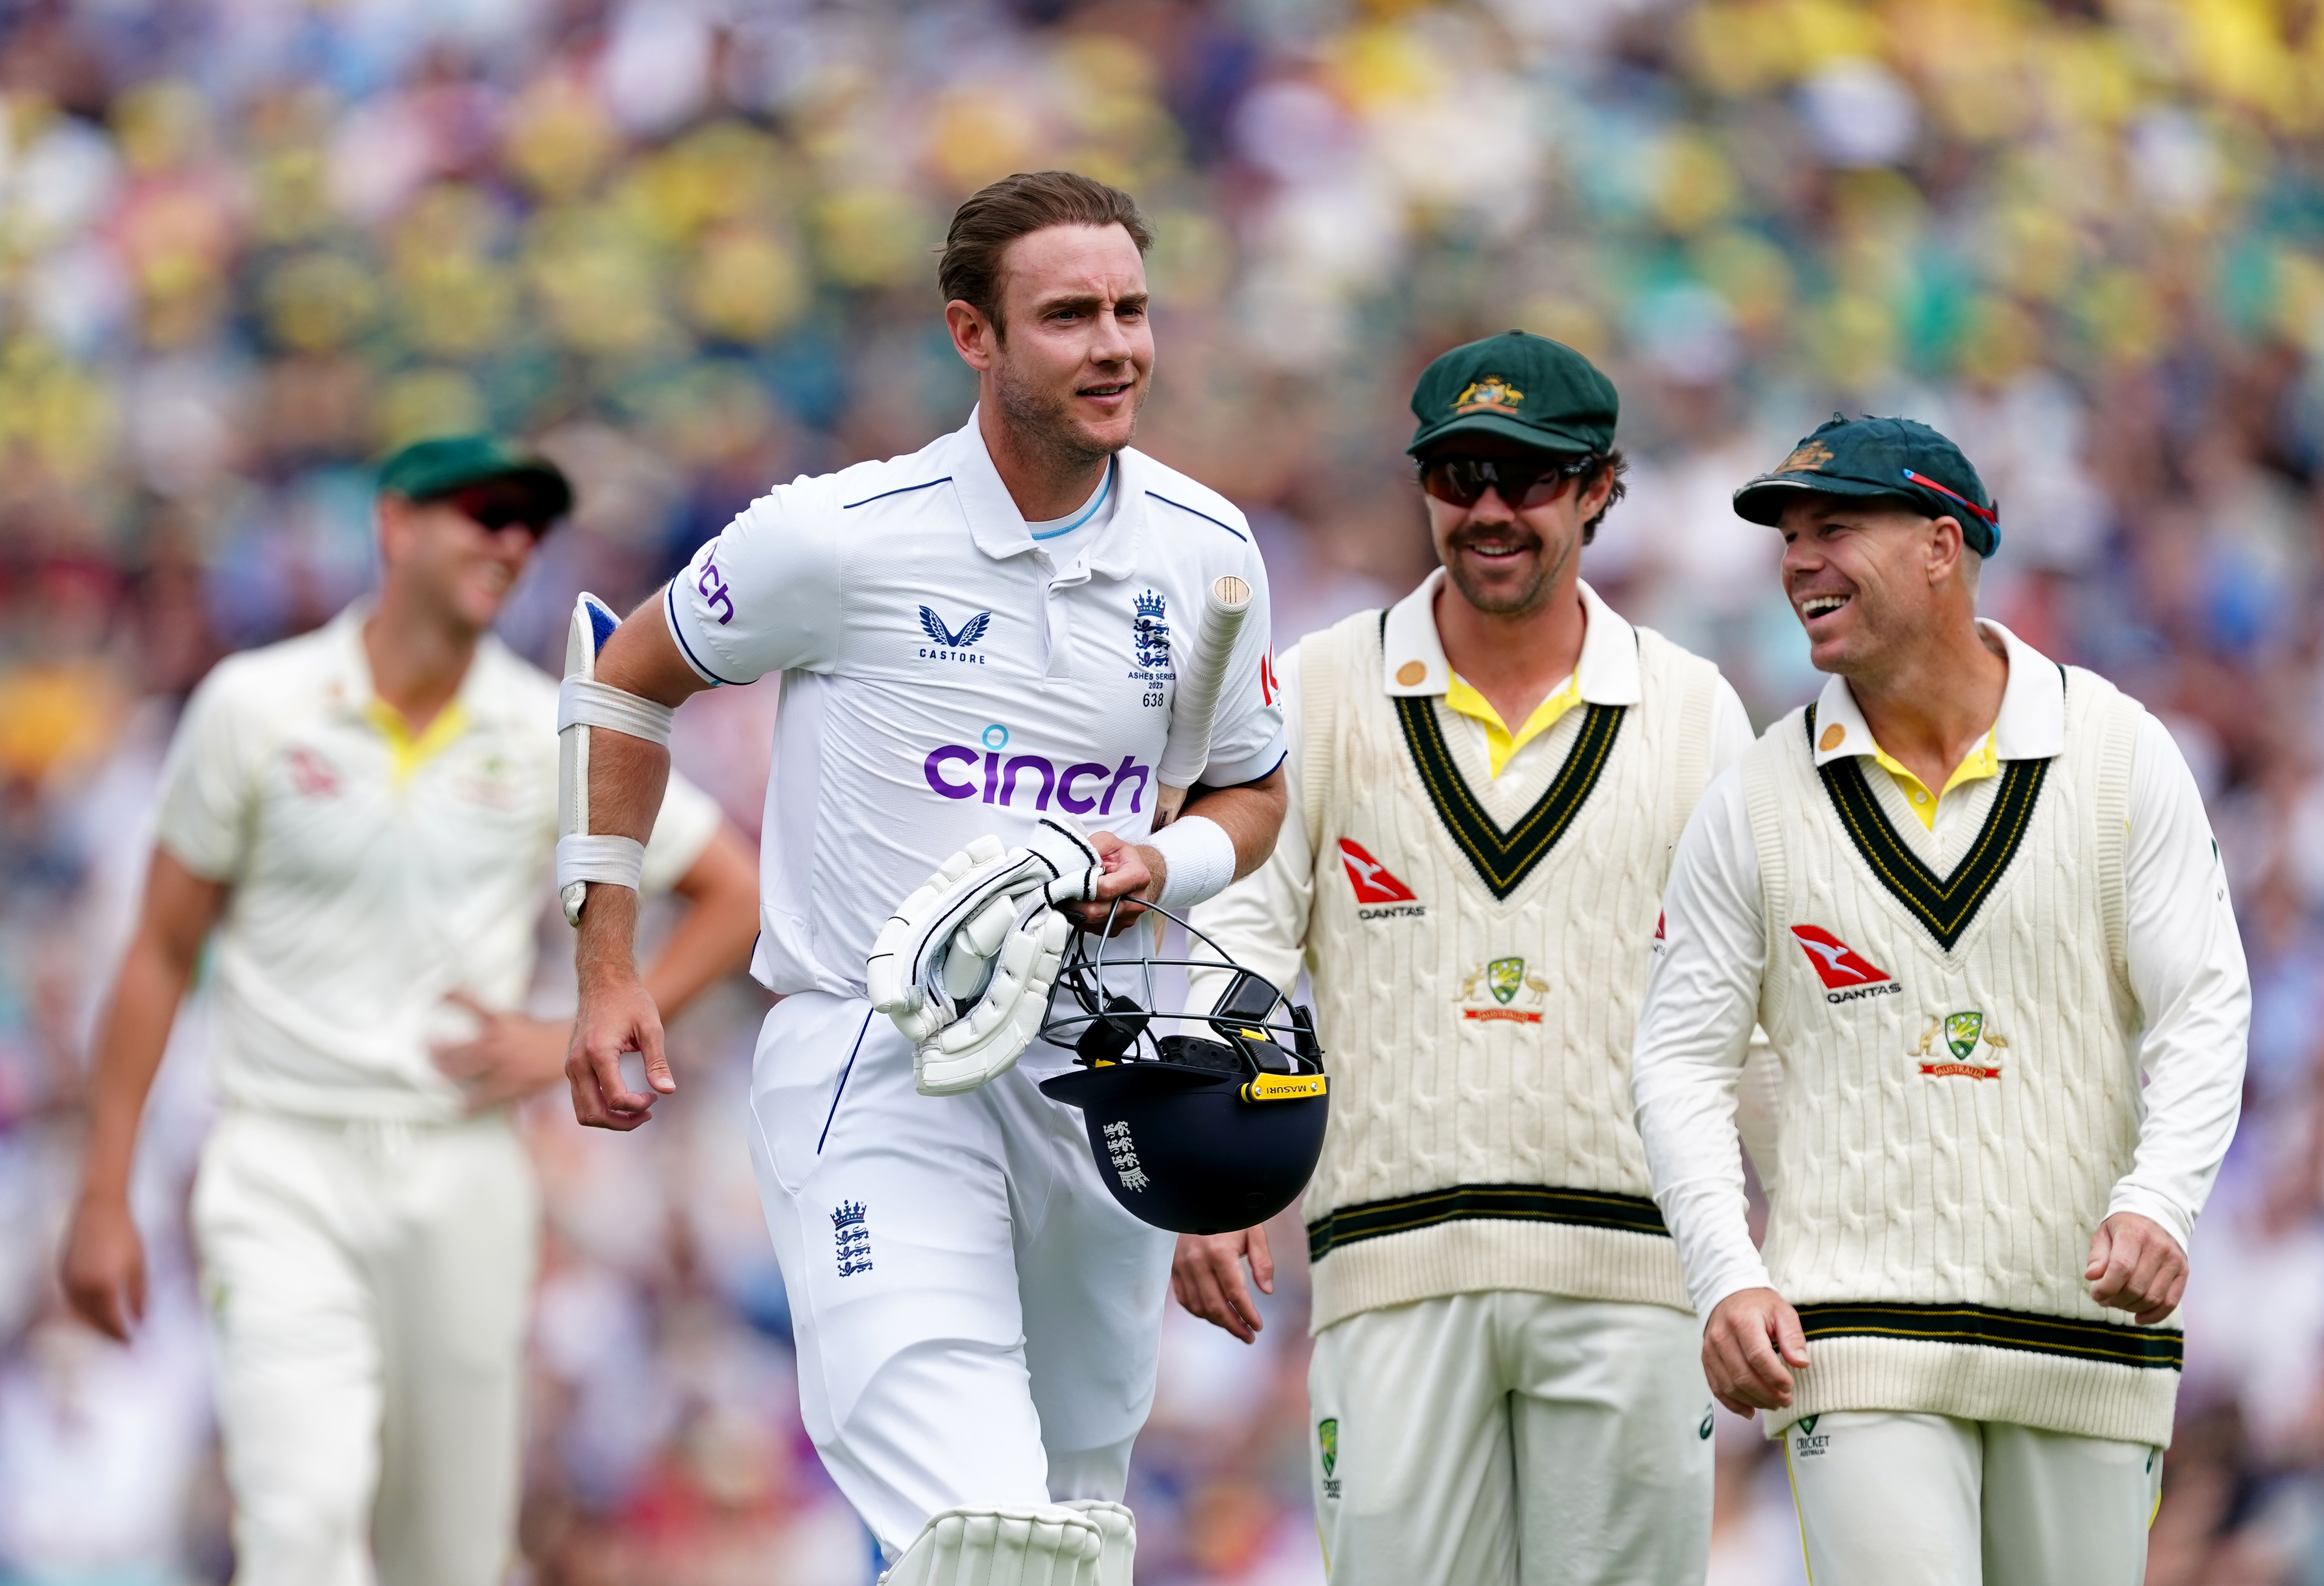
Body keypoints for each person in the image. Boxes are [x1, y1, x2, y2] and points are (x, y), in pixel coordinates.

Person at [555, 171, 1287, 1583]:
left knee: (1074, 1530)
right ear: (974, 335)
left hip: (1104, 1079)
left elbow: (1251, 792)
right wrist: (606, 964)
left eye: (1132, 311)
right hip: (879, 1059)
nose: (1116, 347)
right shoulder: (839, 534)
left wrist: (1163, 859)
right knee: (983, 1529)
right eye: (1070, 316)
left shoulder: (1208, 549)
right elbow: (622, 678)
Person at [57, 435, 762, 1586]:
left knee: (451, 1554)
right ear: (393, 523)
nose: (510, 542)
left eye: (529, 524)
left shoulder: (548, 727)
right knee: (298, 1526)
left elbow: (735, 895)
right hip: (282, 1156)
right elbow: (158, 954)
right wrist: (103, 1195)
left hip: (460, 1163)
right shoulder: (257, 706)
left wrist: (564, 1030)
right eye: (481, 514)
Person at [1173, 330, 1754, 1586]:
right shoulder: (1319, 687)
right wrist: (1215, 1169)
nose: (1489, 509)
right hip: (1393, 1261)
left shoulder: (1695, 709)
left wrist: (1780, 1245)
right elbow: (1239, 942)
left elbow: (1743, 1007)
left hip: (1632, 1264)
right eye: (1459, 474)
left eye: (1530, 476)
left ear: (1601, 488)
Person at [1631, 415, 2249, 1586]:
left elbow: (2205, 1006)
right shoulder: (1752, 801)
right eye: (1789, 537)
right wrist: (1728, 1273)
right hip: (1856, 1342)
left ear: (1940, 546)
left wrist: (2161, 1203)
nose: (1799, 562)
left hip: (2083, 1343)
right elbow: (1679, 1061)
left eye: (1834, 530)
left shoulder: (2120, 755)